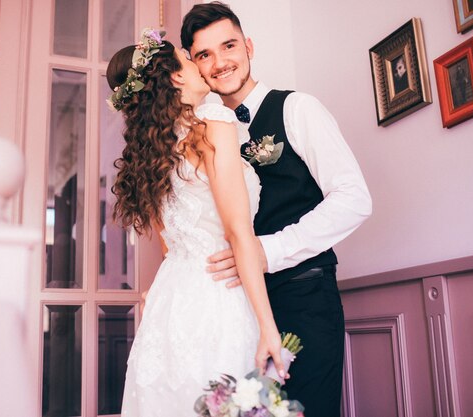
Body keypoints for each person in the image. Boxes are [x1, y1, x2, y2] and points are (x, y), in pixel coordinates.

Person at [181, 3, 372, 417]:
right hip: (233, 308)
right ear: (194, 66)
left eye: (228, 45)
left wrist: (270, 251)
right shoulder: (201, 133)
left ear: (248, 46)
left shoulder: (297, 108)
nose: (220, 62)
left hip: (302, 294)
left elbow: (354, 198)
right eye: (204, 55)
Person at [107, 29, 287, 416]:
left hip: (170, 303)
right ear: (175, 76)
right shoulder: (213, 125)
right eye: (188, 59)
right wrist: (268, 327)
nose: (197, 65)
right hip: (217, 297)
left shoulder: (152, 153)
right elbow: (239, 232)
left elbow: (171, 243)